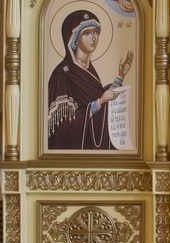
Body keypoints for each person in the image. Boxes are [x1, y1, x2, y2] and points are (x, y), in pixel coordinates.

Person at [47, 10, 133, 150]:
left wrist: (120, 76)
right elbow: (62, 126)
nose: (93, 38)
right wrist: (100, 102)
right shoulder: (62, 75)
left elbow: (99, 98)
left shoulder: (88, 70)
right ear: (74, 39)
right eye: (86, 33)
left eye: (96, 32)